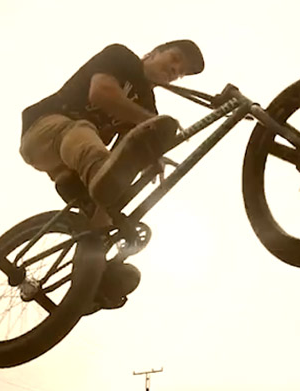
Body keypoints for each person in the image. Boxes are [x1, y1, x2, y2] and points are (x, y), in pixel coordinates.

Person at [18, 40, 205, 308]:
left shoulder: (149, 106)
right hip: (43, 130)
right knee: (81, 134)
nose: (174, 70)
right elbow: (101, 93)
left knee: (106, 209)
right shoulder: (122, 58)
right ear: (153, 53)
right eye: (174, 59)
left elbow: (123, 155)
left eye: (180, 72)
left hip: (71, 164)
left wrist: (151, 158)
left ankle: (89, 282)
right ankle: (96, 181)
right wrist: (149, 126)